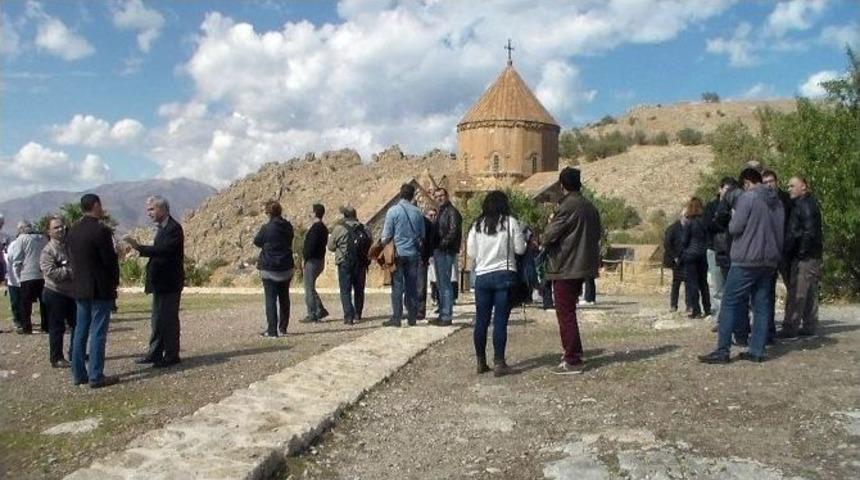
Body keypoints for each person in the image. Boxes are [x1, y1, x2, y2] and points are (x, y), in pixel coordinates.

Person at [699, 168, 784, 364]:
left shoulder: (748, 199)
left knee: (730, 302)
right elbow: (781, 232)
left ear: (746, 182)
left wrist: (734, 215)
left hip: (746, 259)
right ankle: (757, 350)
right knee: (762, 305)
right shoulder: (777, 202)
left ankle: (722, 350)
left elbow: (735, 228)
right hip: (769, 260)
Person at [542, 168, 602, 375]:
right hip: (582, 265)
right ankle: (574, 351)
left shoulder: (566, 207)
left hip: (566, 265)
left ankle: (573, 359)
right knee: (569, 311)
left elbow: (548, 236)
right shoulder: (590, 207)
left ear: (562, 185)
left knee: (565, 313)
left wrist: (549, 223)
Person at [467, 191, 526, 377]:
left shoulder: (477, 225)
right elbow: (520, 249)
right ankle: (499, 362)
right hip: (505, 275)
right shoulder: (510, 222)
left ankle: (480, 361)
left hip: (483, 276)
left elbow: (471, 253)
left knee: (481, 321)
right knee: (500, 320)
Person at [66, 193, 120, 388]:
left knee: (80, 330)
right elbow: (109, 260)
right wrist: (115, 280)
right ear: (96, 205)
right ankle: (96, 375)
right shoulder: (101, 231)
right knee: (98, 331)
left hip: (80, 287)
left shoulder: (72, 231)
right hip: (99, 287)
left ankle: (78, 373)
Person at [125, 196, 184, 368]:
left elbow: (163, 251)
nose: (148, 213)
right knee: (157, 319)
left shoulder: (174, 229)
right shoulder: (162, 228)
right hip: (160, 283)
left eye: (151, 209)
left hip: (169, 283)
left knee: (168, 320)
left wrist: (138, 247)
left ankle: (172, 355)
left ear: (162, 209)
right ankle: (155, 353)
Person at [779, 176, 823, 339]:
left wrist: (800, 254)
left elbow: (809, 232)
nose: (789, 188)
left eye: (792, 186)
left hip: (806, 256)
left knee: (798, 291)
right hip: (811, 255)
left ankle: (790, 327)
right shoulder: (804, 203)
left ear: (803, 187)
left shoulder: (805, 205)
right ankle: (809, 325)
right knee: (809, 290)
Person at [380, 184, 425, 327]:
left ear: (400, 194)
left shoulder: (393, 211)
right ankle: (412, 317)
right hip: (413, 253)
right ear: (413, 195)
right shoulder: (418, 212)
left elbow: (386, 236)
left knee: (397, 286)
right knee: (412, 286)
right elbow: (422, 235)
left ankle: (397, 317)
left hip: (398, 254)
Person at [39, 216, 76, 368]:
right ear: (49, 231)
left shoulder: (69, 245)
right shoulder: (48, 251)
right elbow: (50, 272)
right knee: (57, 327)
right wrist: (70, 271)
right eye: (56, 227)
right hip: (55, 293)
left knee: (78, 324)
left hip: (72, 293)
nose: (60, 229)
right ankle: (56, 358)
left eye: (61, 226)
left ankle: (75, 352)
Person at [253, 200, 294, 337]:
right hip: (286, 267)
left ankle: (272, 331)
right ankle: (283, 328)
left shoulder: (267, 228)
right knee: (284, 298)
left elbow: (257, 241)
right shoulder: (288, 226)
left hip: (269, 267)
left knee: (270, 299)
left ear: (268, 213)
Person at [328, 206, 372, 325]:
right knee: (359, 289)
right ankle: (358, 313)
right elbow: (370, 242)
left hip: (344, 263)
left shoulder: (339, 229)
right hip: (361, 263)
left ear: (345, 216)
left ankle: (348, 316)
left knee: (345, 290)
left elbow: (330, 246)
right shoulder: (364, 228)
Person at [9, 221, 49, 334]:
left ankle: (27, 327)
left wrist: (18, 274)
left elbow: (17, 258)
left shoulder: (22, 239)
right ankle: (46, 326)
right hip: (42, 274)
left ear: (21, 229)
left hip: (27, 274)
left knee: (25, 304)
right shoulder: (43, 237)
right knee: (44, 302)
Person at [430, 188, 462, 327]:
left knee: (445, 284)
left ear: (447, 196)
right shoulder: (441, 212)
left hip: (446, 251)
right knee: (441, 284)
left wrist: (442, 244)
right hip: (439, 251)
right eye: (436, 196)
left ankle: (447, 315)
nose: (439, 198)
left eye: (442, 195)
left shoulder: (452, 212)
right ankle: (442, 313)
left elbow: (453, 231)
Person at [681, 197, 711, 318]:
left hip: (690, 255)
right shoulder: (705, 222)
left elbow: (684, 241)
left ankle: (696, 310)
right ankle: (708, 308)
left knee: (692, 283)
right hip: (703, 254)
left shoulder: (689, 223)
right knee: (703, 283)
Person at [301, 203, 329, 323]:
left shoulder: (316, 228)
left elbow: (310, 247)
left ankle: (312, 313)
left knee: (308, 288)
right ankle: (320, 309)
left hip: (312, 261)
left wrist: (305, 258)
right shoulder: (323, 227)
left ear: (315, 213)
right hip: (319, 260)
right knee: (311, 287)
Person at [663, 209, 686, 312]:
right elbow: (667, 244)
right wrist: (674, 256)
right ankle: (673, 305)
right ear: (681, 216)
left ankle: (689, 305)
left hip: (687, 259)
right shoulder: (673, 228)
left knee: (688, 283)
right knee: (676, 283)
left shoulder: (689, 227)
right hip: (676, 260)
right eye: (686, 216)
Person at [417, 207, 438, 320]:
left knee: (420, 285)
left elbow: (430, 241)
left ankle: (419, 310)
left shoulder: (426, 223)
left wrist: (427, 255)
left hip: (421, 256)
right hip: (415, 256)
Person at [4, 224, 24, 333]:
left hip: (22, 279)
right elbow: (10, 260)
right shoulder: (13, 245)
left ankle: (23, 320)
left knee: (22, 302)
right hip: (14, 279)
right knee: (16, 301)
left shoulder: (27, 244)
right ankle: (18, 321)